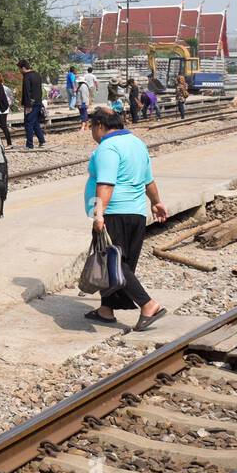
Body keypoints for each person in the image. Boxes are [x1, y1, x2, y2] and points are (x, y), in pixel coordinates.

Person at [84, 107, 168, 330]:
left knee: (114, 263)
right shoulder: (137, 143)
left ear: (100, 126)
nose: (92, 133)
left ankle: (148, 304)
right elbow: (148, 179)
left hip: (114, 212)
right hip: (137, 213)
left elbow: (106, 183)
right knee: (119, 263)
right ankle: (106, 310)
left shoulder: (107, 147)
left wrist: (98, 214)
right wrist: (156, 202)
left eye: (92, 127)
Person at [18, 59, 45, 149]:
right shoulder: (37, 75)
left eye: (20, 69)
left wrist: (28, 106)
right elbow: (40, 90)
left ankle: (29, 145)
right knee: (35, 122)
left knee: (28, 123)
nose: (19, 71)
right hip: (38, 102)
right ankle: (42, 141)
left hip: (31, 104)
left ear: (23, 68)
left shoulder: (27, 77)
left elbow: (27, 92)